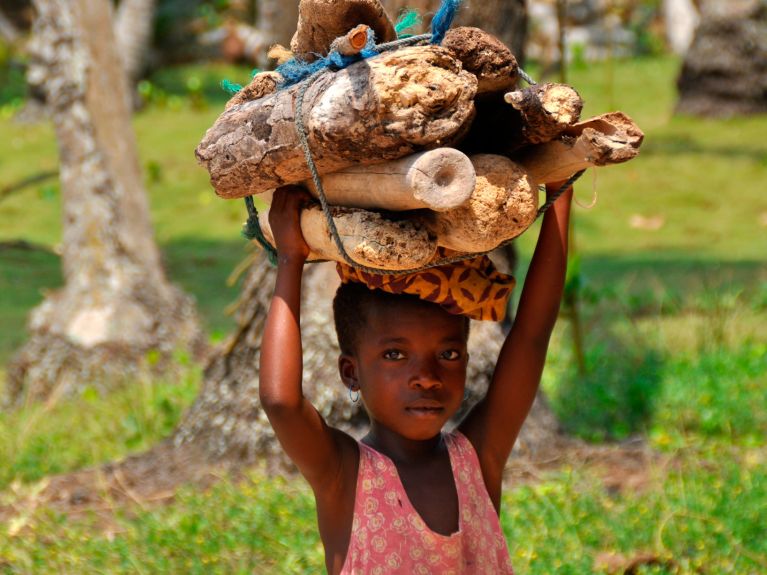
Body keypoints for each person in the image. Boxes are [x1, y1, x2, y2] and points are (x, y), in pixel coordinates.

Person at [260, 181, 573, 574]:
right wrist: (290, 259)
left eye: (448, 354)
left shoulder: (476, 461)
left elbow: (530, 334)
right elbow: (281, 402)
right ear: (351, 373)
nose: (426, 377)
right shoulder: (344, 474)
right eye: (395, 355)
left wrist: (560, 194)